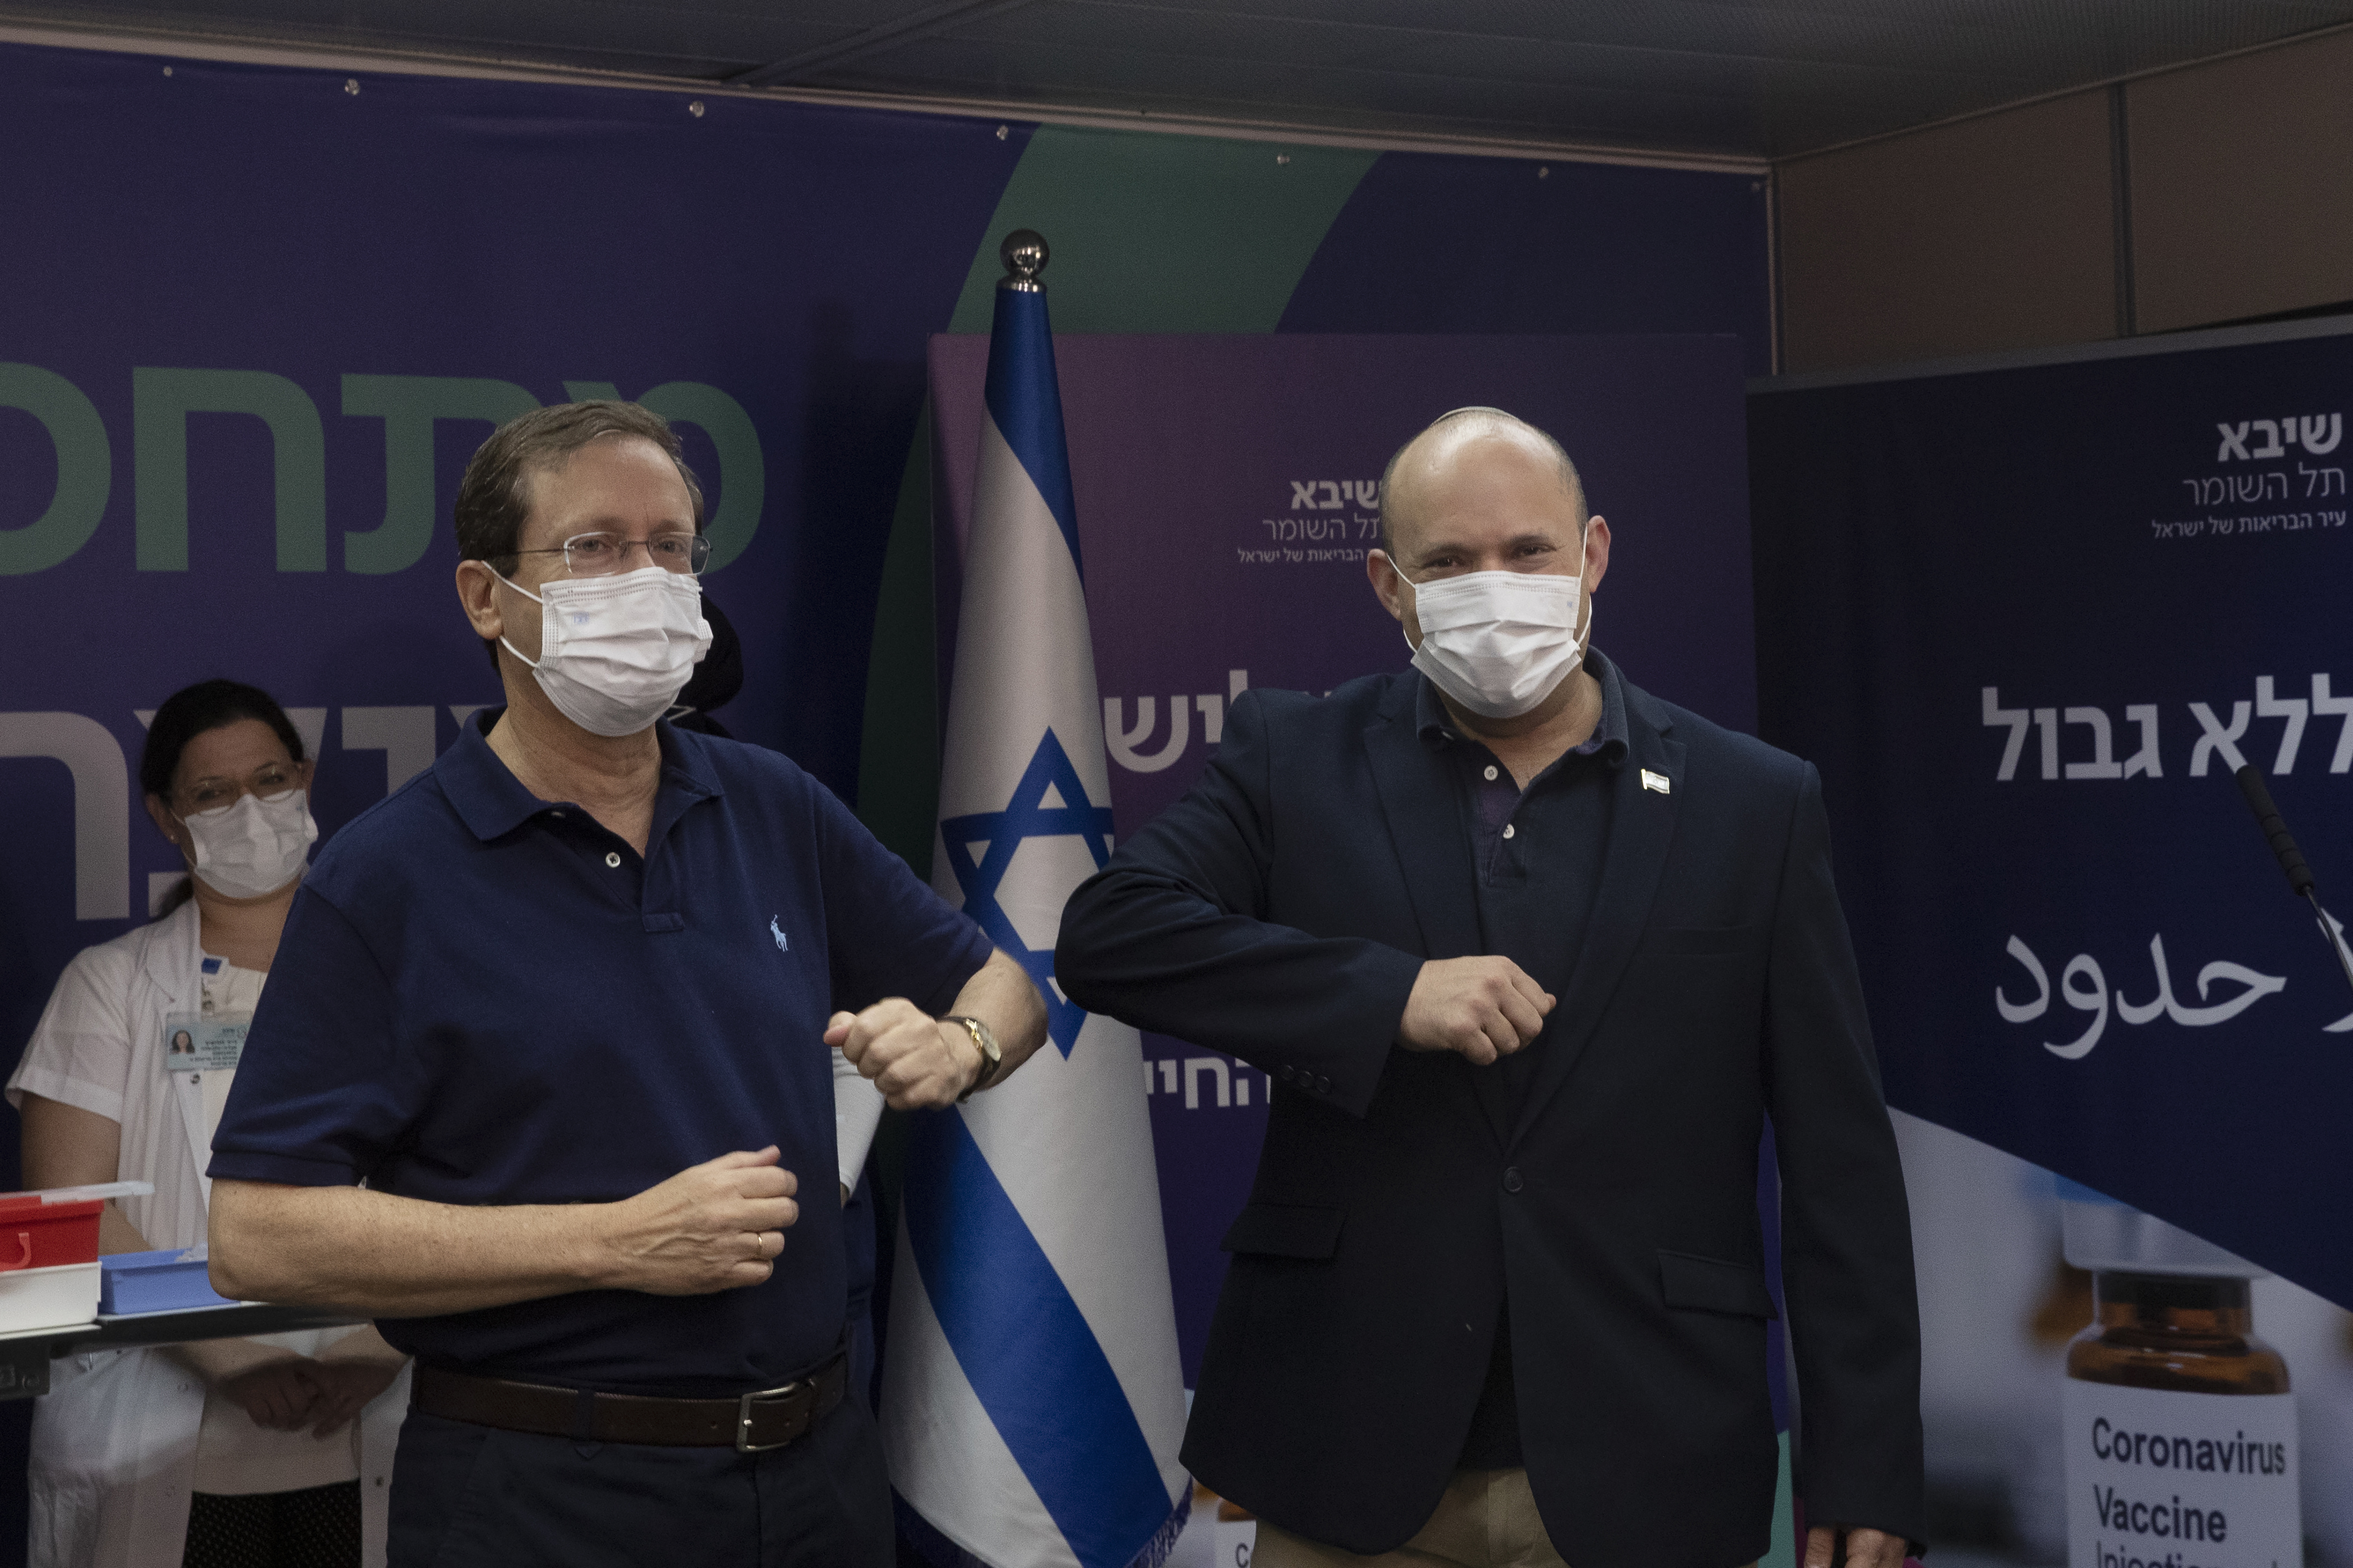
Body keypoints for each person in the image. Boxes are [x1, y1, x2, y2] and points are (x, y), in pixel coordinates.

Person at [1055, 408, 1925, 1568]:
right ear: (1389, 585)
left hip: (1649, 1459)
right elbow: (1108, 934)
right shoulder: (1293, 756)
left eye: (1529, 552)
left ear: (1594, 555)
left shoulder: (1755, 803)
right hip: (1348, 1460)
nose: (1496, 585)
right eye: (1451, 563)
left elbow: (1841, 1165)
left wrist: (1865, 1464)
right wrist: (1384, 997)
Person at [201, 401, 1047, 1567]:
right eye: (594, 546)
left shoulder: (773, 804)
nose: (645, 579)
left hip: (818, 1482)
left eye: (672, 548)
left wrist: (962, 1048)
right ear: (486, 597)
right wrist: (608, 1243)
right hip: (548, 1492)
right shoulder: (386, 877)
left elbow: (1008, 986)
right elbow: (258, 1236)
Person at [10, 678, 411, 1568]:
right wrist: (228, 1354)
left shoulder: (399, 970)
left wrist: (383, 1339)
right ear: (167, 816)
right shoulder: (111, 982)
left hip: (370, 1419)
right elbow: (59, 1220)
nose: (250, 809)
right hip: (154, 1436)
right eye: (212, 793)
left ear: (305, 780)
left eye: (270, 780)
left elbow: (469, 1176)